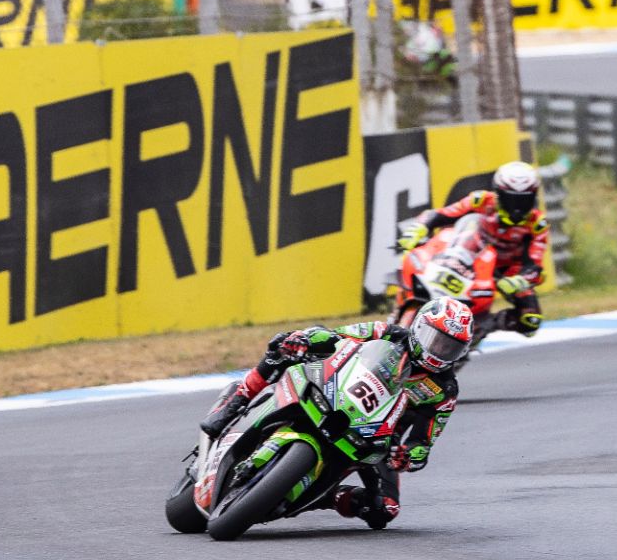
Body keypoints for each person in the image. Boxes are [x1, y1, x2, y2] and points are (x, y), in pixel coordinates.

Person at [197, 296, 472, 528]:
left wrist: (406, 457)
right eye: (436, 340)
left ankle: (322, 497)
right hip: (335, 392)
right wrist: (305, 339)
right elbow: (336, 335)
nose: (440, 351)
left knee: (384, 510)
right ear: (419, 327)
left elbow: (424, 442)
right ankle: (235, 403)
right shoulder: (386, 332)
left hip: (376, 439)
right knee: (283, 346)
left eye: (450, 348)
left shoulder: (444, 390)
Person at [397, 162, 549, 337]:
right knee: (422, 261)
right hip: (469, 257)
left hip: (505, 274)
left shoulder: (537, 225)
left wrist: (520, 279)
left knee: (531, 320)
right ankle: (404, 306)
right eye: (511, 199)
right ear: (499, 194)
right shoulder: (481, 201)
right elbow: (442, 214)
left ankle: (485, 325)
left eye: (524, 200)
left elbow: (534, 265)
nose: (517, 208)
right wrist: (419, 227)